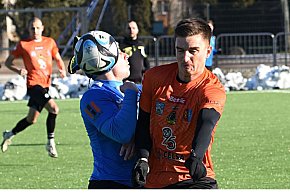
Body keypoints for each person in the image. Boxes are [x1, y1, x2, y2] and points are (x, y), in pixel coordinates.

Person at [132, 18, 226, 189]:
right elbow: (143, 122)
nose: (185, 58)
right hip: (155, 178)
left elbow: (207, 122)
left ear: (208, 51)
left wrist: (196, 157)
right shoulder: (154, 78)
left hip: (194, 176)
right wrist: (143, 158)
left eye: (193, 51)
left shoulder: (212, 88)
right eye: (180, 50)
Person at [68, 30, 140, 189]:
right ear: (106, 58)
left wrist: (138, 136)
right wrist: (131, 94)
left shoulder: (135, 88)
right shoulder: (93, 97)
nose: (126, 56)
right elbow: (121, 132)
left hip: (142, 182)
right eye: (120, 52)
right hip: (110, 184)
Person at [1, 17, 66, 158]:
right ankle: (50, 143)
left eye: (37, 27)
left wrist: (62, 69)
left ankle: (8, 134)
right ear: (29, 29)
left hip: (45, 85)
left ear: (42, 28)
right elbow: (7, 62)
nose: (35, 30)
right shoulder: (24, 45)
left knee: (31, 119)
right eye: (32, 28)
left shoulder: (49, 42)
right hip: (33, 85)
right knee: (54, 109)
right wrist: (18, 71)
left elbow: (58, 58)